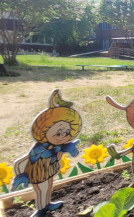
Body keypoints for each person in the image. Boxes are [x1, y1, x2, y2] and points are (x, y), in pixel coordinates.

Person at [12, 89, 82, 217]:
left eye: (66, 133)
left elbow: (58, 153)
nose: (62, 136)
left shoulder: (58, 146)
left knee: (48, 186)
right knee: (41, 189)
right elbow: (37, 156)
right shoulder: (41, 147)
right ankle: (41, 208)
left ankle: (46, 204)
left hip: (49, 168)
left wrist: (64, 148)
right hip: (37, 170)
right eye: (58, 132)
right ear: (45, 129)